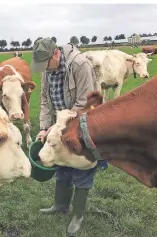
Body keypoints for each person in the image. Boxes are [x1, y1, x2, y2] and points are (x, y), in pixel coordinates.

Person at [31, 37, 108, 237]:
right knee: (62, 165)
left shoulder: (80, 65)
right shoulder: (48, 70)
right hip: (60, 124)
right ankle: (60, 204)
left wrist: (60, 125)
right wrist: (44, 127)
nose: (44, 69)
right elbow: (45, 101)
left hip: (82, 122)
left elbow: (85, 101)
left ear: (55, 53)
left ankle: (78, 215)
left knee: (82, 166)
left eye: (45, 64)